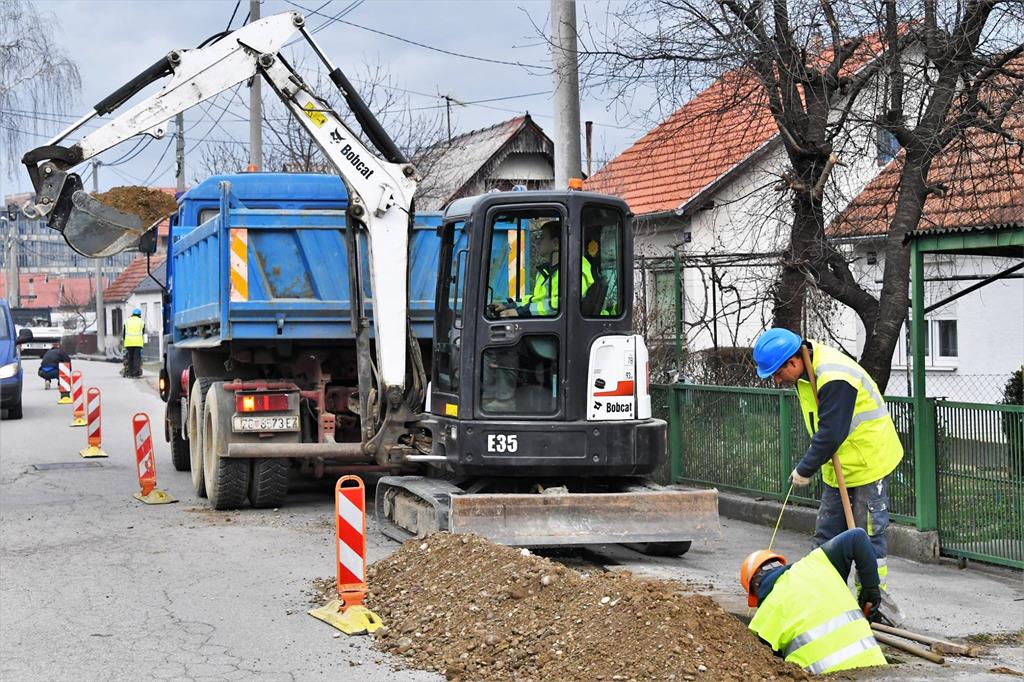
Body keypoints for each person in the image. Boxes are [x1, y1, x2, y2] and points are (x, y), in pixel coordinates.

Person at [752, 328, 904, 625]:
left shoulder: (833, 376)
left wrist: (804, 468)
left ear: (793, 362)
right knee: (826, 536)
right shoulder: (806, 373)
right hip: (840, 467)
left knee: (868, 537)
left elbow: (832, 432)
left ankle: (875, 606)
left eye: (777, 373)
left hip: (867, 461)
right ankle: (819, 600)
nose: (777, 380)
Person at [741, 527, 887, 674]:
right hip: (877, 670)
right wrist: (871, 588)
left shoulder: (761, 622)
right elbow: (857, 536)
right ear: (779, 565)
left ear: (755, 588)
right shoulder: (818, 563)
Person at [122, 308, 146, 378]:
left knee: (130, 358)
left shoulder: (127, 321)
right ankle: (136, 373)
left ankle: (130, 373)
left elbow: (124, 333)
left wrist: (124, 340)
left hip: (129, 343)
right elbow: (143, 332)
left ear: (132, 314)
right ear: (139, 315)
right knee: (136, 359)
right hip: (138, 343)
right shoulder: (141, 322)